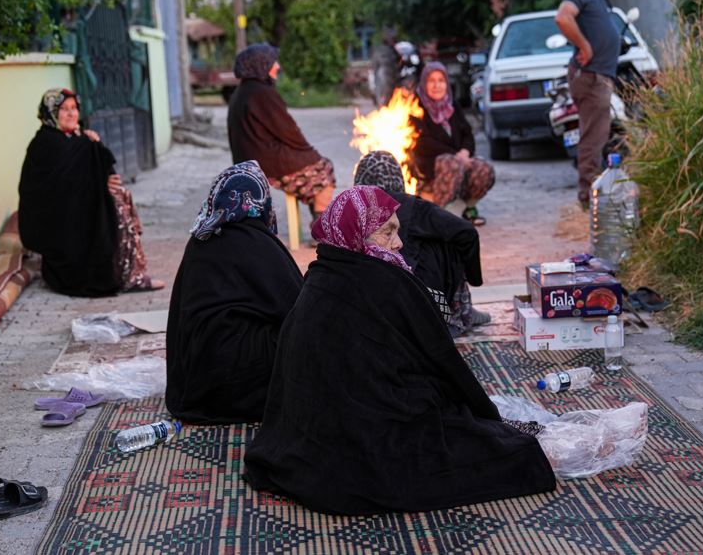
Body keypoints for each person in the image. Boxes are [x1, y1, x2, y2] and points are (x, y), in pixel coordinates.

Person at [244, 186, 556, 515]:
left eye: (397, 229)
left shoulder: (320, 273)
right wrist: (485, 416)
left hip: (312, 439)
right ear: (357, 235)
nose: (399, 243)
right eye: (387, 232)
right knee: (508, 452)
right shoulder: (386, 281)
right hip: (372, 432)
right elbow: (443, 363)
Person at [164, 161, 304, 424]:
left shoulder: (200, 239)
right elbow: (299, 310)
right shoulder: (257, 242)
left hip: (195, 384)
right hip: (237, 383)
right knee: (304, 340)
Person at [18, 88, 164, 296]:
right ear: (51, 113)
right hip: (59, 221)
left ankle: (130, 273)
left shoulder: (75, 137)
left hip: (77, 207)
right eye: (64, 109)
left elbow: (92, 167)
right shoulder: (45, 144)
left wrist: (92, 144)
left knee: (118, 198)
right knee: (111, 210)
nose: (71, 114)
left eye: (74, 108)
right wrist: (99, 185)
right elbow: (52, 191)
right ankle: (126, 277)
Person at [353, 151, 490, 336]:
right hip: (414, 298)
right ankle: (459, 311)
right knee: (448, 237)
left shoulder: (350, 210)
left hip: (364, 302)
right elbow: (467, 232)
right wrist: (475, 279)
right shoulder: (411, 206)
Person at [227, 43, 336, 227]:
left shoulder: (243, 91)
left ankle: (320, 223)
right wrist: (308, 151)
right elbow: (288, 130)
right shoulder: (261, 93)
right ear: (260, 65)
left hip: (250, 160)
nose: (277, 66)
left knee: (314, 167)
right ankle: (322, 229)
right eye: (272, 62)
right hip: (266, 163)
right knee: (324, 170)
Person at [554, 0, 620, 208]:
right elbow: (563, 17)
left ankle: (593, 194)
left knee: (598, 136)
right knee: (593, 138)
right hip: (591, 78)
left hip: (599, 77)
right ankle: (589, 200)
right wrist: (585, 46)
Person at [408, 62, 495, 225]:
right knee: (452, 164)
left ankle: (465, 209)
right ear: (424, 82)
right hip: (429, 168)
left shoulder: (452, 105)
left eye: (441, 80)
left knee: (483, 169)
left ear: (446, 83)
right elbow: (422, 142)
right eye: (431, 81)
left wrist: (465, 152)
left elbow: (467, 134)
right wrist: (456, 156)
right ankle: (442, 217)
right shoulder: (416, 107)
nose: (436, 85)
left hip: (458, 162)